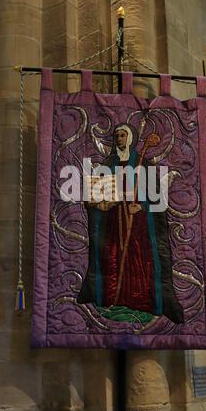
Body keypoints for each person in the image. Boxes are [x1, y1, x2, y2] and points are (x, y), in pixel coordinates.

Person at [77, 123, 184, 323]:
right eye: (116, 135)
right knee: (113, 257)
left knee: (138, 259)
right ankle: (113, 299)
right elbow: (98, 193)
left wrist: (142, 206)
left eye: (123, 135)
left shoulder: (144, 165)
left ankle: (139, 301)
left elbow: (157, 198)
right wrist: (97, 201)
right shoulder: (109, 165)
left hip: (139, 223)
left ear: (131, 138)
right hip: (113, 219)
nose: (119, 139)